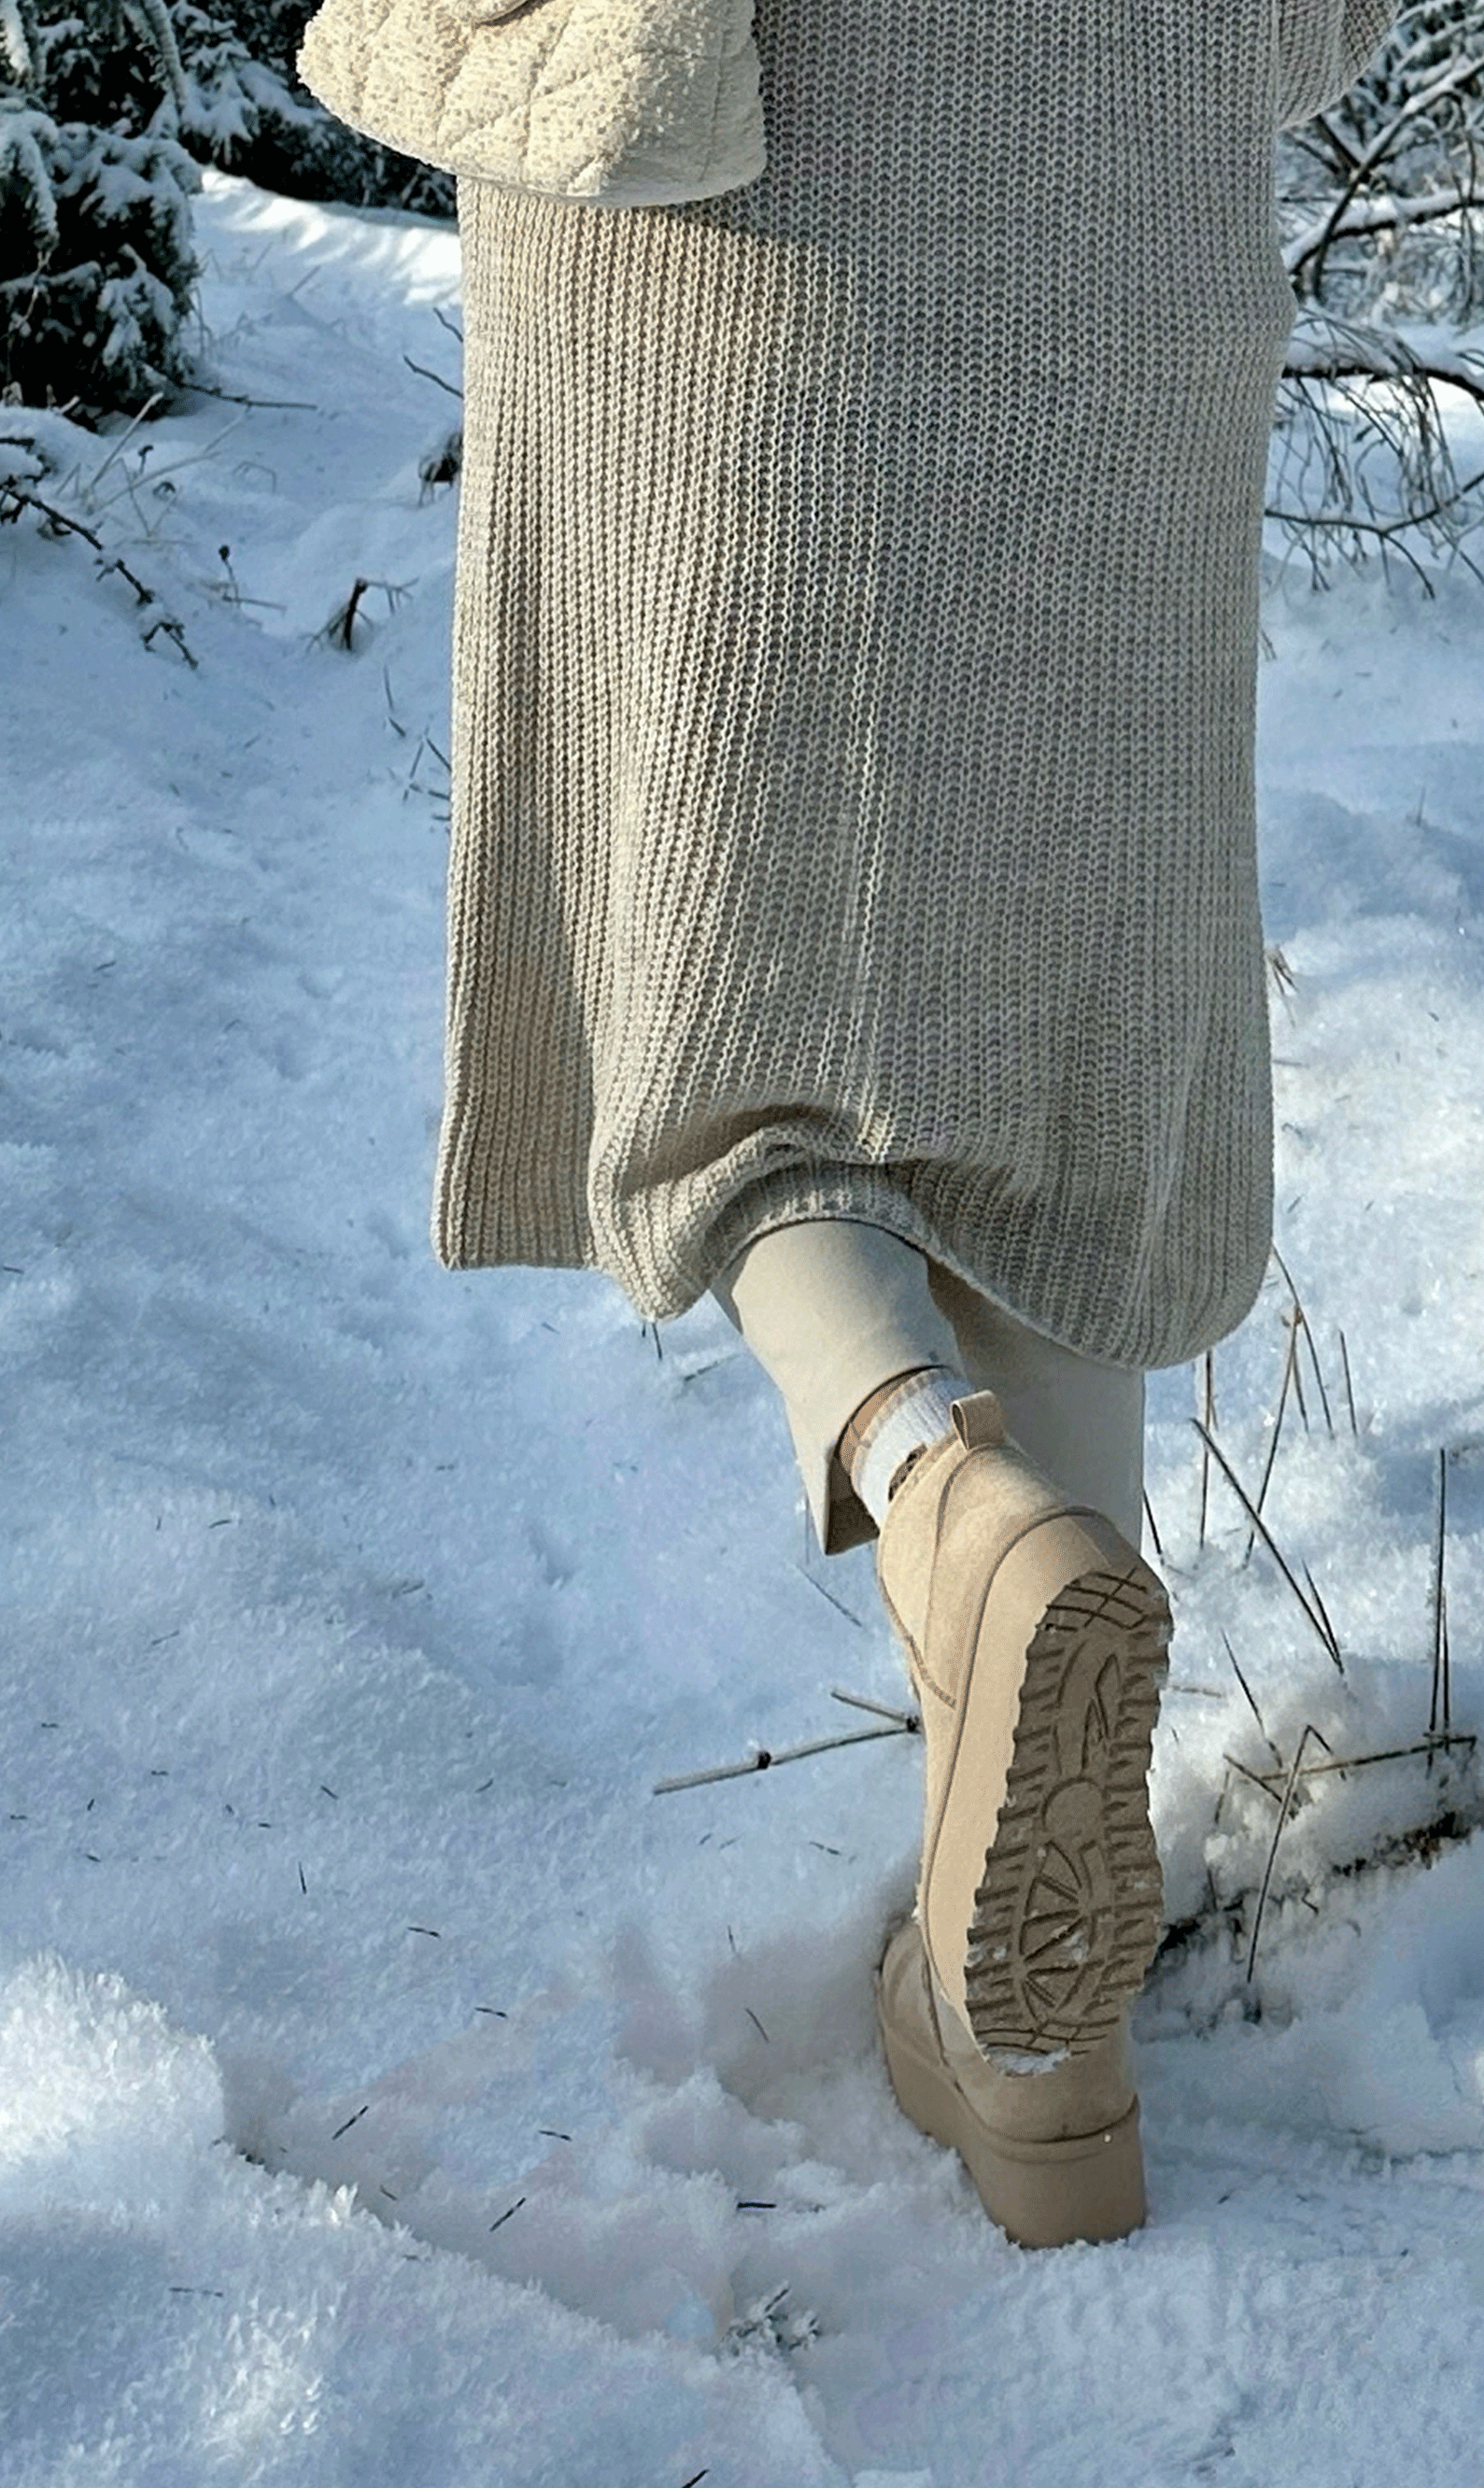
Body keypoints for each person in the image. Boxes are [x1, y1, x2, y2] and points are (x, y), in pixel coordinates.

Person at [429, 0, 1396, 2244]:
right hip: (1135, 207)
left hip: (720, 210)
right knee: (1059, 1080)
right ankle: (1041, 2066)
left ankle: (936, 1488)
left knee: (731, 1041)